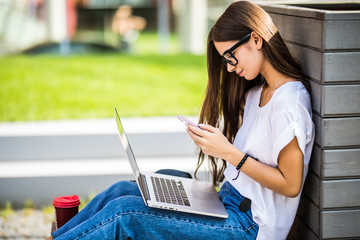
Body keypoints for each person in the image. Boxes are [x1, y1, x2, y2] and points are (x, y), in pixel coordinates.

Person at [47, 1, 314, 239]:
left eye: (231, 56)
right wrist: (217, 145)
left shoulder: (289, 103)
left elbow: (290, 185)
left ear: (256, 39)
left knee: (124, 213)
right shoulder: (257, 93)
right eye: (225, 61)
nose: (230, 67)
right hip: (228, 201)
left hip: (249, 226)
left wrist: (229, 152)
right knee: (121, 192)